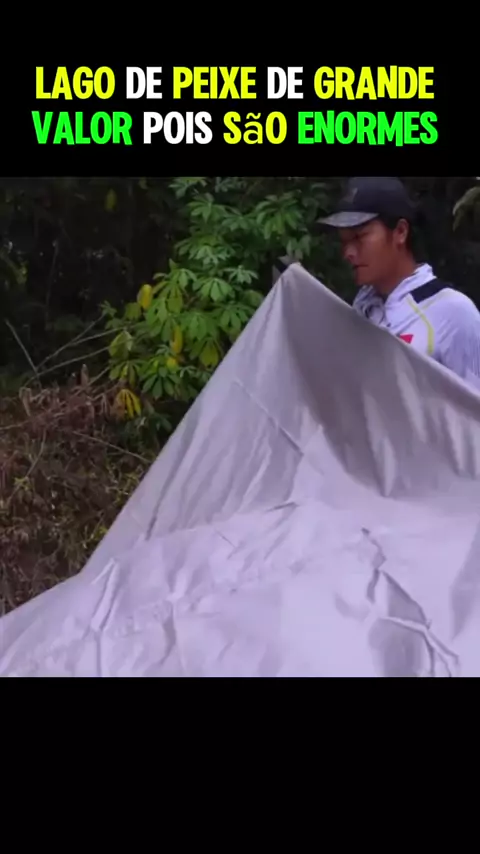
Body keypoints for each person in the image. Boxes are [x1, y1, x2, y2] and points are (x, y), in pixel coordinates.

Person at [318, 176, 480, 389]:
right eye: (344, 241)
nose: (348, 252)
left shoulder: (452, 313)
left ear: (400, 232)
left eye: (359, 237)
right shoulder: (361, 308)